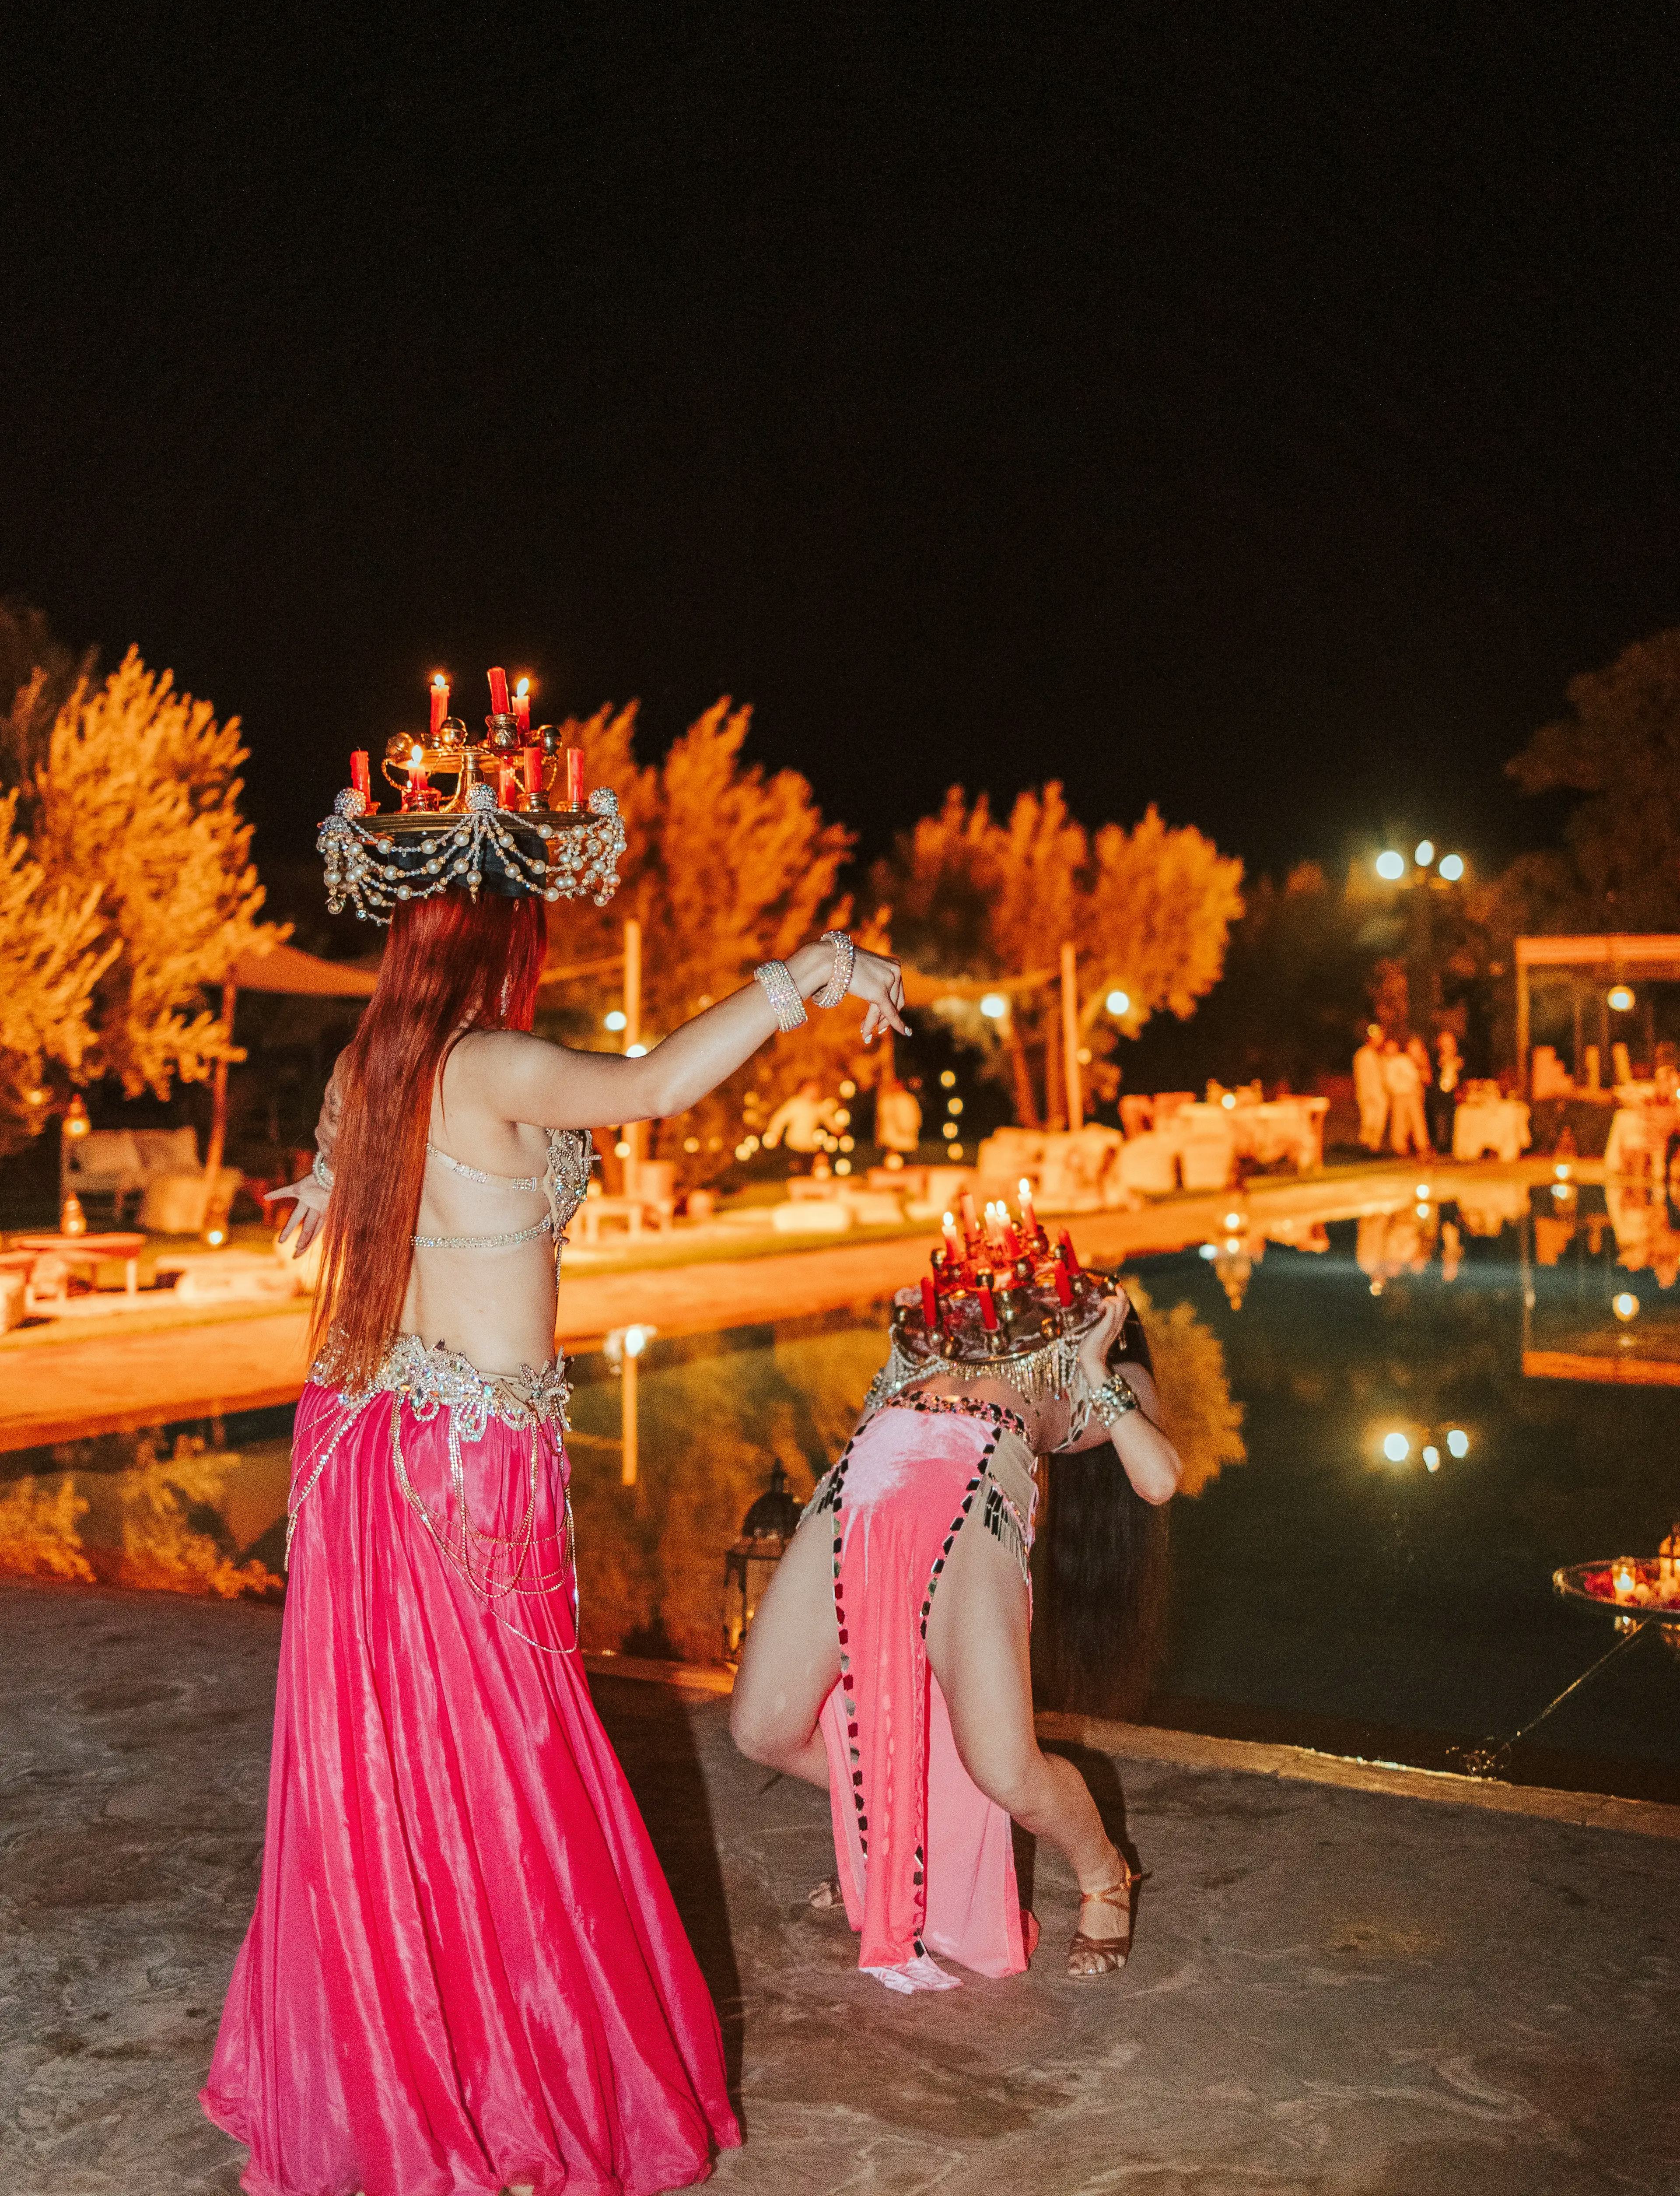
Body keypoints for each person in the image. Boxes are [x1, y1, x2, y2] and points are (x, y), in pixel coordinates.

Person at [201, 766, 910, 2196]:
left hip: (376, 1441)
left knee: (402, 1774)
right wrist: (810, 976)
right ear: (498, 939)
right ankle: (520, 2081)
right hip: (465, 1464)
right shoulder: (485, 1061)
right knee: (504, 1763)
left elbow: (349, 1247)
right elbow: (648, 1085)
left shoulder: (375, 1065)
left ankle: (410, 2073)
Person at [729, 1270, 1180, 1991]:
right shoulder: (960, 1333)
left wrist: (1095, 1360)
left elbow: (1158, 1479)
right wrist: (905, 1347)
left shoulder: (1108, 1366)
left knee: (1005, 1770)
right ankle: (903, 1837)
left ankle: (1105, 1873)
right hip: (866, 1484)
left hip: (973, 1498)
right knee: (763, 1728)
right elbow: (882, 1398)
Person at [761, 1073, 836, 1160]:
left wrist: (839, 1132)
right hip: (794, 1146)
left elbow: (829, 1121)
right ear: (804, 1089)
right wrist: (775, 1133)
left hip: (811, 1147)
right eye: (812, 1089)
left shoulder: (818, 1107)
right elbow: (779, 1119)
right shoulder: (795, 1104)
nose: (814, 1092)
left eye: (816, 1090)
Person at [1384, 1034, 1430, 1157]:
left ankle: (1422, 1145)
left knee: (1417, 1120)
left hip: (1411, 1093)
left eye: (1393, 1047)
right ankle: (1399, 1147)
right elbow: (1389, 1081)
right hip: (1398, 1095)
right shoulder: (1387, 1062)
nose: (1391, 1050)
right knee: (1399, 1122)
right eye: (1388, 1048)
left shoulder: (1403, 1059)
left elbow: (1414, 1075)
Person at [1353, 1024, 1389, 1154]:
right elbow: (1362, 1078)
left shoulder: (1379, 1056)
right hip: (1369, 1094)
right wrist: (1367, 1094)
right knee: (1369, 1120)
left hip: (1380, 1093)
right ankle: (1366, 1146)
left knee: (1379, 1121)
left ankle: (1374, 1147)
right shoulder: (1363, 1055)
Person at [1430, 1028, 1463, 1155]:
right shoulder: (1435, 1059)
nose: (1448, 1046)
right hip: (1440, 1097)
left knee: (1457, 1121)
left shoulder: (1459, 1060)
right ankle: (1443, 1146)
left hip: (1457, 1096)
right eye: (1444, 1043)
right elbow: (1432, 1077)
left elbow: (1464, 1076)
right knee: (1442, 1121)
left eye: (1450, 1043)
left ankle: (1456, 1145)